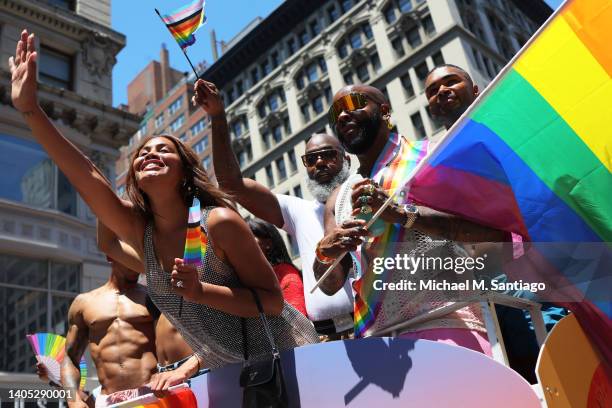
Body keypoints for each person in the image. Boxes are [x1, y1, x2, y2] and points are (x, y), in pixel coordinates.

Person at [10, 29, 318, 392]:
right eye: (141, 154)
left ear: (185, 172)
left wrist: (200, 291)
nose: (148, 154)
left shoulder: (218, 222)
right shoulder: (143, 236)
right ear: (136, 178)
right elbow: (90, 177)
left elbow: (272, 301)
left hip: (294, 363)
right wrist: (31, 110)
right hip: (229, 379)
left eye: (163, 150)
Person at [315, 83, 507, 355]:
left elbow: (493, 232)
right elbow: (330, 284)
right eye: (335, 114)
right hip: (373, 343)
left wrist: (403, 215)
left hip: (446, 323)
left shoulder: (432, 155)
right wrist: (325, 252)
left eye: (353, 103)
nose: (342, 116)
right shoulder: (338, 197)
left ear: (384, 111)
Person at [425, 64, 567, 381]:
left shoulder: (510, 131)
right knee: (529, 383)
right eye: (433, 91)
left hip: (542, 279)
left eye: (451, 82)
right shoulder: (430, 164)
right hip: (488, 295)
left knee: (568, 368)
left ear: (475, 90)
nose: (442, 91)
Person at [205, 81, 355, 340]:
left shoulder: (371, 196)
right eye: (311, 159)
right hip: (324, 338)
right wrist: (218, 117)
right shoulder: (298, 210)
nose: (319, 162)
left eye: (328, 154)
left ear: (346, 160)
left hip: (374, 326)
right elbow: (231, 185)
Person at [60, 257, 158, 408]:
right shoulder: (84, 303)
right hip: (108, 401)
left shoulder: (153, 297)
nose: (137, 260)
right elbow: (70, 357)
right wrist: (73, 399)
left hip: (150, 396)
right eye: (130, 254)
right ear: (111, 255)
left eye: (140, 255)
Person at [248, 218, 307, 316]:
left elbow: (297, 320)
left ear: (268, 243)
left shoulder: (286, 274)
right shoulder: (251, 277)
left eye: (249, 238)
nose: (242, 245)